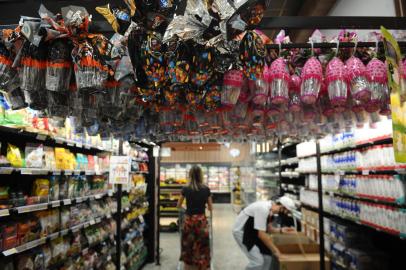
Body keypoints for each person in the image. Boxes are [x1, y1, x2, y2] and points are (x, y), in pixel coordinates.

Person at [232, 196, 296, 270]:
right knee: (257, 262)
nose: (286, 214)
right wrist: (278, 252)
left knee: (267, 256)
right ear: (282, 207)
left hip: (253, 231)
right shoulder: (263, 209)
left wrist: (281, 230)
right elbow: (262, 235)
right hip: (242, 231)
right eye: (286, 211)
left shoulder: (271, 212)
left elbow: (269, 229)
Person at [177, 165, 213, 270]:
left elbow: (178, 205)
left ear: (190, 175)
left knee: (188, 244)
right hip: (201, 221)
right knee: (202, 244)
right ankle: (202, 264)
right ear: (201, 175)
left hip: (189, 220)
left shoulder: (185, 189)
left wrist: (186, 208)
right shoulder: (206, 189)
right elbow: (211, 208)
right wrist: (204, 205)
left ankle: (188, 265)